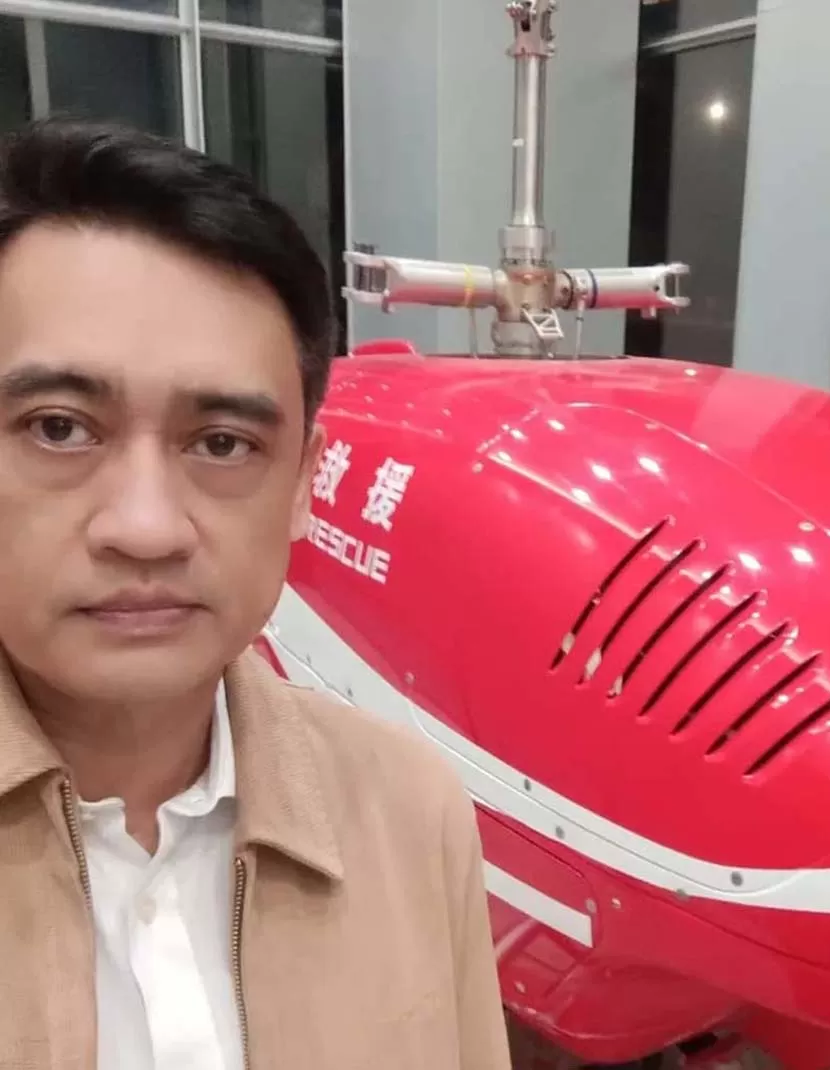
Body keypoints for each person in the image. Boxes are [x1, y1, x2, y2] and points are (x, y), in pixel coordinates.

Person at [0, 116, 512, 1070]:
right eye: (59, 428)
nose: (147, 527)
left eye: (223, 443)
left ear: (305, 482)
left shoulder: (410, 809)